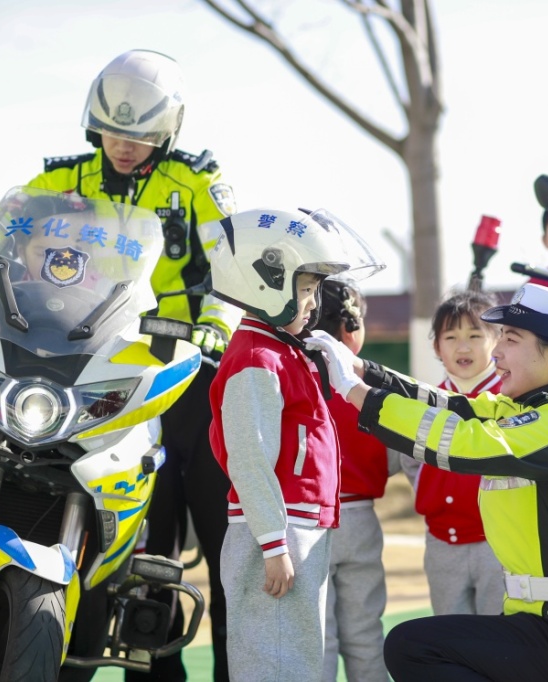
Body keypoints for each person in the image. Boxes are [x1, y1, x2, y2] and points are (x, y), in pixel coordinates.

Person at [0, 49, 239, 682]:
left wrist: (216, 322)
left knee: (220, 540)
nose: (125, 146)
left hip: (177, 369)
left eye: (140, 135)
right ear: (93, 124)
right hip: (83, 369)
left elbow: (229, 263)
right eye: (114, 131)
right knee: (133, 534)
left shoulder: (193, 186)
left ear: (168, 132)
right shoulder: (64, 181)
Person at [306, 283, 548, 682]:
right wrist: (364, 371)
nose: (495, 353)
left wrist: (355, 394)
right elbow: (451, 406)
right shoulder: (543, 404)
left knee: (415, 647)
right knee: (416, 644)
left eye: (510, 340)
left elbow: (467, 443)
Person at [199, 207, 382, 681]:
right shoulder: (257, 359)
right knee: (273, 661)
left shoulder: (279, 350)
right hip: (277, 533)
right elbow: (250, 457)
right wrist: (273, 544)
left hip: (293, 529)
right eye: (304, 289)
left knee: (295, 660)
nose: (312, 302)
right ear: (266, 283)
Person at [400, 289, 505, 617]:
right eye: (451, 336)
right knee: (451, 639)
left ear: (498, 341)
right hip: (442, 543)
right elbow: (411, 462)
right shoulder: (424, 402)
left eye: (475, 335)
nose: (463, 346)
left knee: (502, 642)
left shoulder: (513, 399)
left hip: (501, 544)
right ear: (436, 347)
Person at [319, 277, 392, 682]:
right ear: (350, 327)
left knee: (320, 636)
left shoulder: (293, 374)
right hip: (360, 517)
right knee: (365, 634)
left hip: (306, 519)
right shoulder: (374, 383)